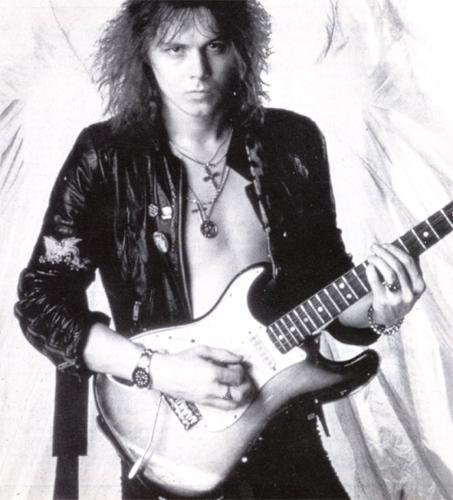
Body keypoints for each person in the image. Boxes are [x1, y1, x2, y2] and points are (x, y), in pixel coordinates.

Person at [15, 1, 426, 498]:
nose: (199, 70)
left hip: (286, 440)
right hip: (173, 443)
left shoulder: (290, 144)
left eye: (215, 46)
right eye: (175, 50)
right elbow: (41, 302)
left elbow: (329, 287)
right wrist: (158, 370)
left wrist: (383, 311)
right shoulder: (106, 158)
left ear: (241, 48)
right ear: (144, 55)